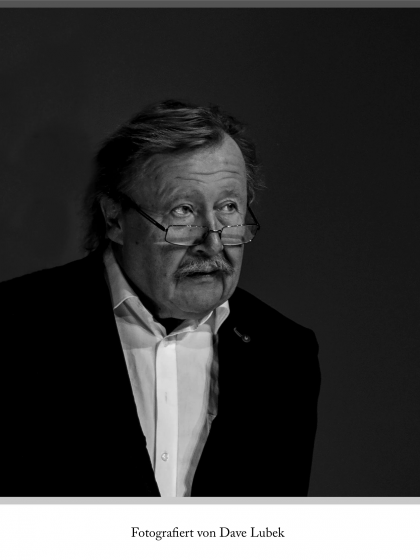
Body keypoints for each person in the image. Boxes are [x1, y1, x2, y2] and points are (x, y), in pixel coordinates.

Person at [0, 99, 321, 497]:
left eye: (228, 207)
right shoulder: (14, 328)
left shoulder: (285, 354)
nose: (213, 242)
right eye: (182, 211)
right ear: (115, 218)